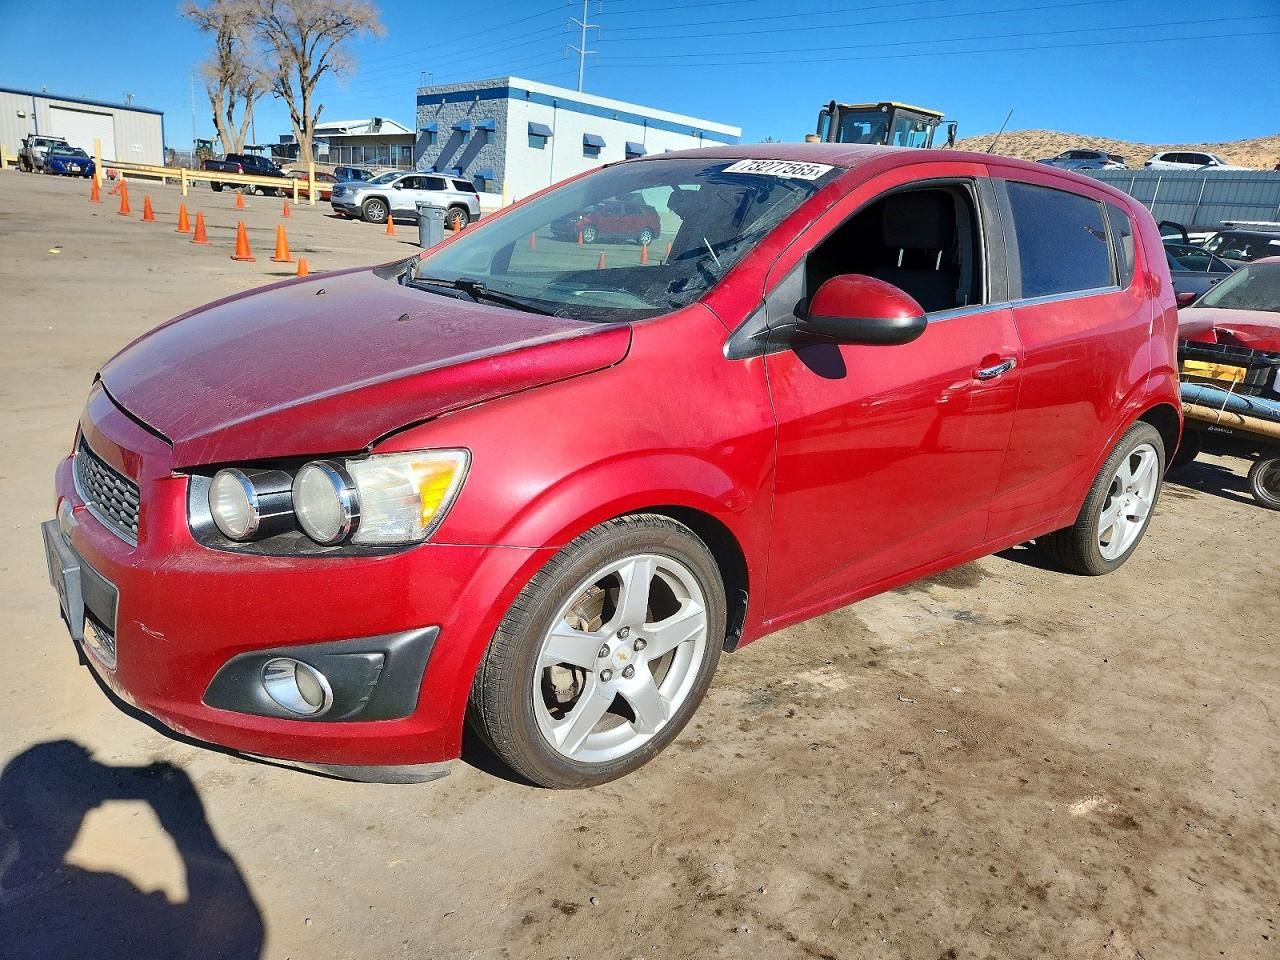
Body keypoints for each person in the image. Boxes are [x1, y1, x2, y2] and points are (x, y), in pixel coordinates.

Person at [0, 740, 264, 960]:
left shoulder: (65, 893)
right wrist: (187, 824)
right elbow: (243, 937)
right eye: (70, 791)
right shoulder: (98, 898)